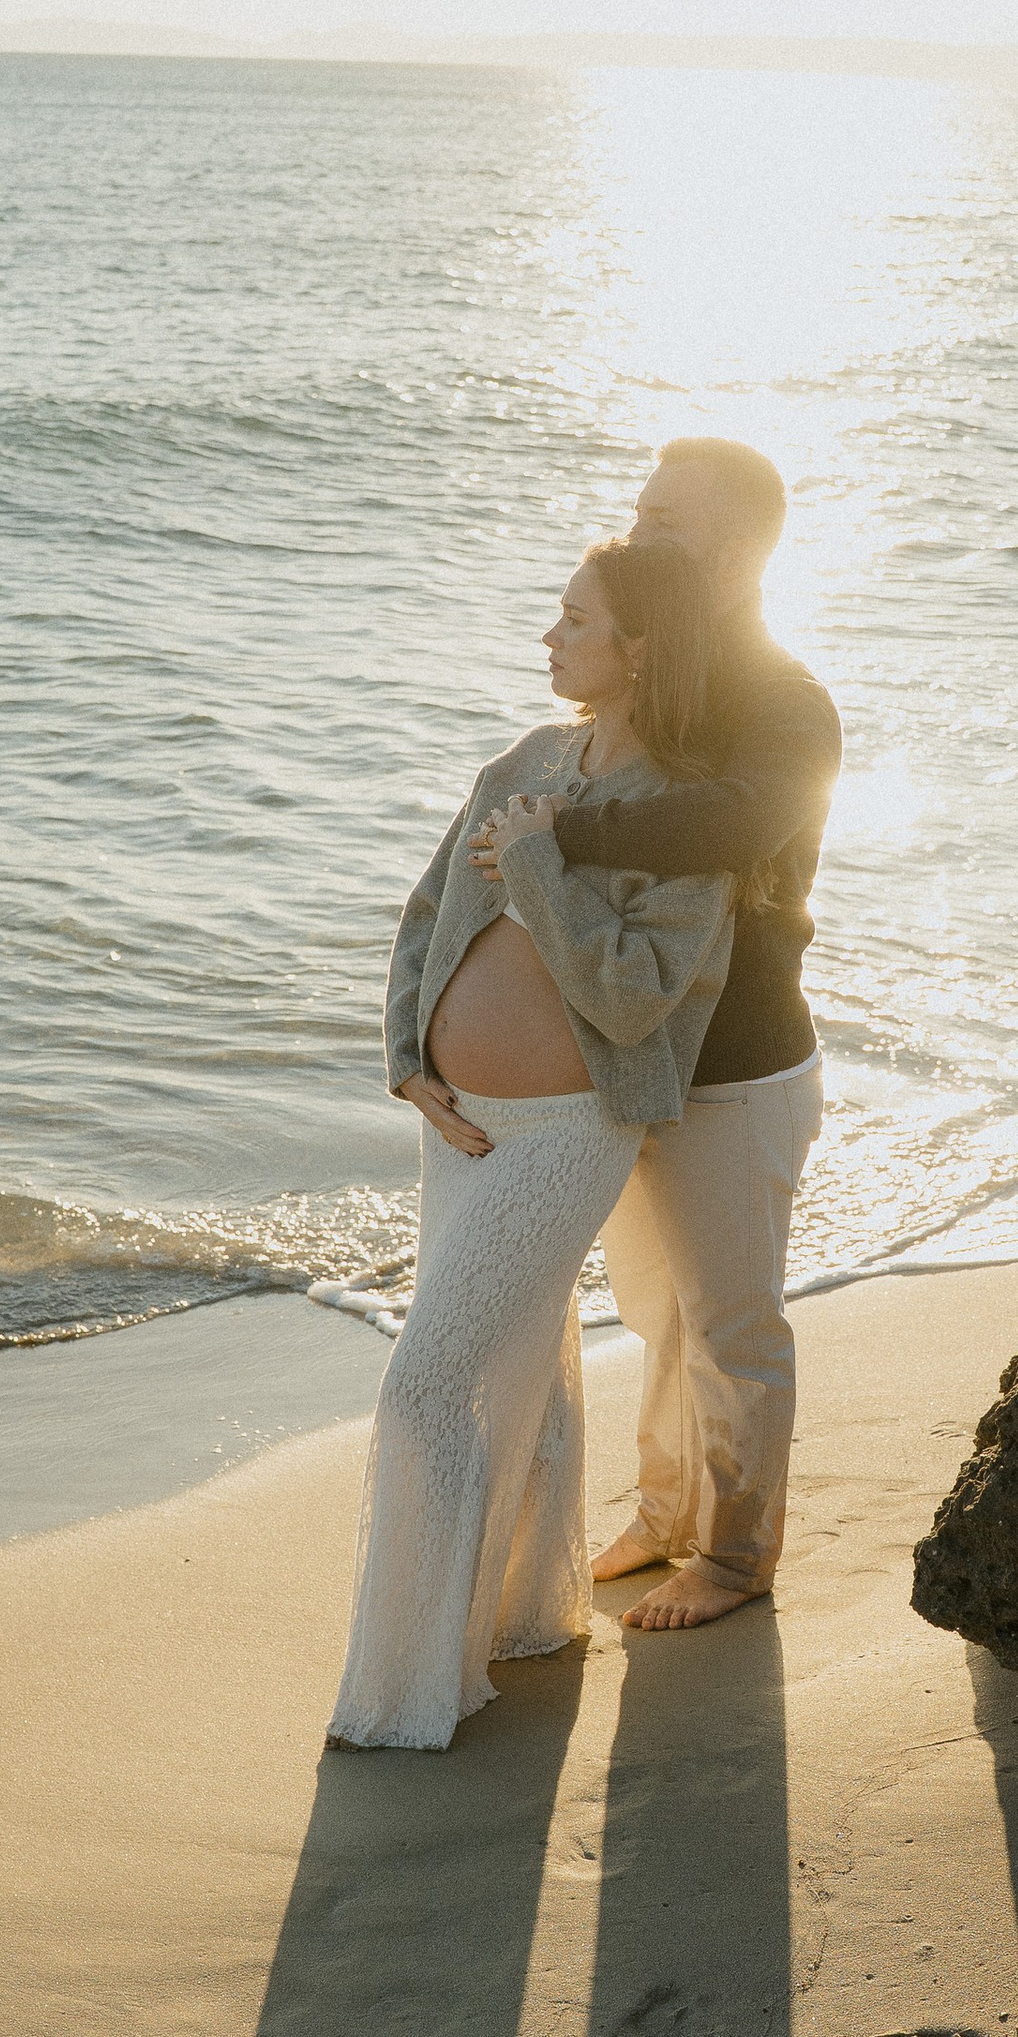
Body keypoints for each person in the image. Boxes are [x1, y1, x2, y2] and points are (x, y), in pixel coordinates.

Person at [326, 534, 735, 1752]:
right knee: (522, 1365)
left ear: (642, 647)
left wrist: (548, 865)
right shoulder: (523, 759)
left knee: (423, 1390)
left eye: (573, 620)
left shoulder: (685, 816)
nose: (548, 639)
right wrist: (408, 1059)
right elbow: (424, 914)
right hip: (457, 1126)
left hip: (569, 1131)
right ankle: (522, 1615)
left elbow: (630, 996)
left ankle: (409, 1686)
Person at [467, 438, 840, 1633]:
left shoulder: (782, 697)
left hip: (736, 1065)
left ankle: (736, 1558)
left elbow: (732, 822)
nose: (636, 528)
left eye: (661, 514)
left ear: (727, 543)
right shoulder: (651, 677)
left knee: (732, 1322)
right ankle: (669, 1511)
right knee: (656, 1312)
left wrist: (560, 839)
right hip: (625, 1065)